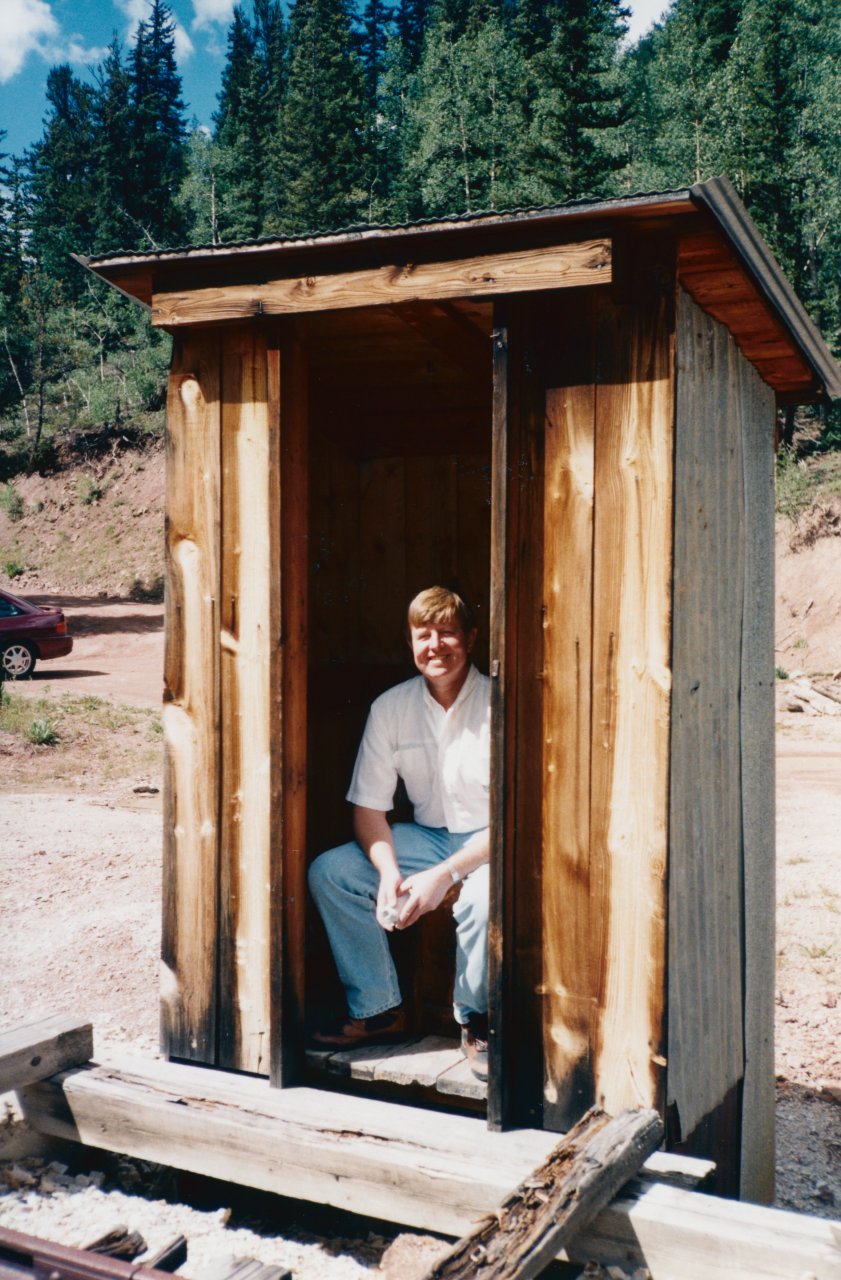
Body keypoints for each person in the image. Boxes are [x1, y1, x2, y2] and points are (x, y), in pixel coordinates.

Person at [308, 586, 491, 1079]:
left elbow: (516, 819)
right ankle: (380, 1010)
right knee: (332, 872)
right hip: (427, 837)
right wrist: (388, 872)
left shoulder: (501, 703)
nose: (436, 645)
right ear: (411, 642)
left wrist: (444, 877)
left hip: (493, 842)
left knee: (481, 900)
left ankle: (476, 1020)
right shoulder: (391, 707)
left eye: (448, 632)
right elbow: (369, 809)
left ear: (470, 639)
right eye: (423, 635)